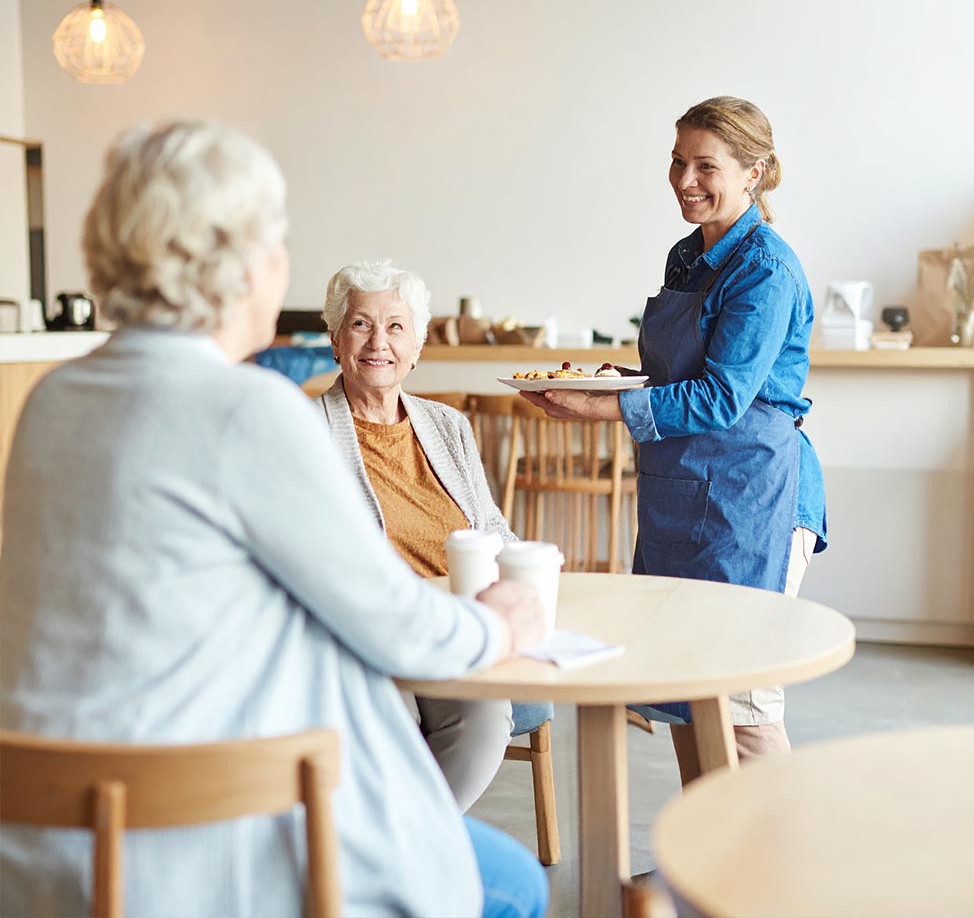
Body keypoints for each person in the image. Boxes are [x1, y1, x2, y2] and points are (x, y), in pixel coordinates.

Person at [0, 121, 549, 918]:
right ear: (241, 262)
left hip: (45, 841)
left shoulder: (53, 402)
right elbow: (401, 632)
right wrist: (499, 622)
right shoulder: (246, 411)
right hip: (184, 850)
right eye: (277, 237)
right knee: (513, 887)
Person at [522, 96, 827, 784]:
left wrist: (598, 412)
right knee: (694, 692)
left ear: (755, 173)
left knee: (741, 697)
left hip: (754, 496)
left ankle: (769, 880)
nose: (686, 179)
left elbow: (722, 396)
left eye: (706, 165)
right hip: (685, 491)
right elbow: (682, 372)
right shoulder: (688, 256)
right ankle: (710, 861)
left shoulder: (766, 270)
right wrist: (610, 385)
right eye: (678, 161)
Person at [315, 260, 552, 813]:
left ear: (417, 346)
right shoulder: (306, 431)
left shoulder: (448, 425)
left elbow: (490, 527)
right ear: (335, 339)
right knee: (386, 716)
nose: (379, 342)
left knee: (486, 715)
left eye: (396, 327)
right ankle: (404, 859)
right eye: (360, 325)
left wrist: (527, 578)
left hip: (456, 624)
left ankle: (406, 846)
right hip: (370, 635)